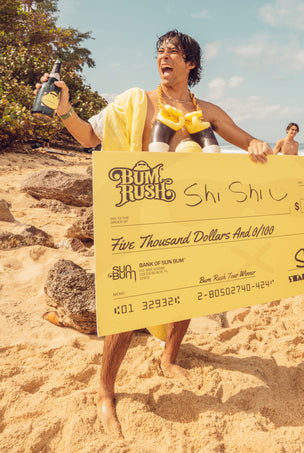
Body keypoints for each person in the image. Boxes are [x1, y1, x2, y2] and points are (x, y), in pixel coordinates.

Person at [35, 29, 273, 437]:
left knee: (189, 294)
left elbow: (247, 140)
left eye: (173, 52)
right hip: (141, 223)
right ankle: (106, 390)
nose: (164, 57)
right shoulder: (136, 103)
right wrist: (64, 109)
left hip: (191, 224)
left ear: (191, 63)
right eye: (160, 51)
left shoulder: (208, 111)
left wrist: (256, 146)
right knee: (126, 309)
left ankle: (169, 358)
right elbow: (90, 137)